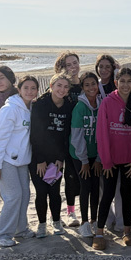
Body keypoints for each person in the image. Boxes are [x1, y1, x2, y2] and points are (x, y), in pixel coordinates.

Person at [94, 68, 131, 250]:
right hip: (111, 161)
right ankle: (99, 233)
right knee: (107, 194)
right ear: (116, 82)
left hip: (129, 161)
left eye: (129, 81)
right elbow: (102, 133)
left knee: (126, 194)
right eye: (122, 81)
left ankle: (127, 231)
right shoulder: (107, 102)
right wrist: (106, 160)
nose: (125, 85)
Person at [0, 76, 40, 247]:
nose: (29, 91)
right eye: (26, 88)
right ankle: (2, 234)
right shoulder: (10, 109)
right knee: (13, 196)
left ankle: (20, 229)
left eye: (33, 88)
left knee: (24, 196)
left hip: (22, 161)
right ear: (19, 89)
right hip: (5, 160)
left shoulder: (32, 107)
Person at [29, 73, 74, 238]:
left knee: (55, 192)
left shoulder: (68, 106)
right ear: (51, 86)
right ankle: (41, 224)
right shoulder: (40, 104)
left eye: (65, 87)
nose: (62, 89)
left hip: (57, 158)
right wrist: (40, 160)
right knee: (41, 192)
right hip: (38, 157)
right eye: (59, 85)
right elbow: (35, 134)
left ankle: (56, 221)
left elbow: (66, 135)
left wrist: (60, 158)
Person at [70, 71, 103, 238]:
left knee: (95, 187)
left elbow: (103, 133)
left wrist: (98, 158)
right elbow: (77, 137)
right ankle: (84, 222)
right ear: (82, 87)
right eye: (87, 84)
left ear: (98, 86)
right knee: (85, 187)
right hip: (79, 155)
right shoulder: (79, 107)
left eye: (94, 84)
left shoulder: (101, 103)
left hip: (96, 155)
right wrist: (84, 160)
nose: (91, 87)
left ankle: (94, 220)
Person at [54, 53, 82, 224]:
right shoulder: (62, 86)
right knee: (63, 176)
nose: (72, 66)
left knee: (78, 176)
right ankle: (69, 212)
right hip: (61, 137)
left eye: (75, 63)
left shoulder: (85, 83)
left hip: (80, 137)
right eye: (68, 64)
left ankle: (80, 210)